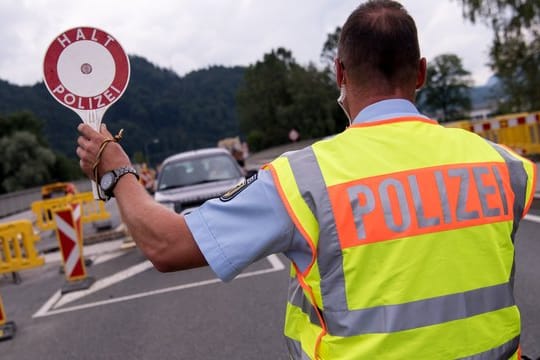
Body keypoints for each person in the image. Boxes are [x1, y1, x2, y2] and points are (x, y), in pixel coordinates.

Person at [76, 1, 537, 359]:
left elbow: (165, 245)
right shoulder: (504, 166)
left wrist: (116, 171)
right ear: (420, 72)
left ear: (339, 73)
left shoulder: (304, 179)